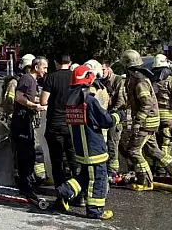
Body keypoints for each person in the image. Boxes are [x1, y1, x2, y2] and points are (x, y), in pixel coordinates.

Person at [56, 65, 125, 220]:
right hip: (94, 148)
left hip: (81, 147)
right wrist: (119, 115)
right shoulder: (89, 100)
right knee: (98, 179)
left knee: (86, 176)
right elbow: (106, 121)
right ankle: (95, 210)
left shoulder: (71, 99)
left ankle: (65, 192)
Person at [118, 49, 172, 190]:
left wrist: (138, 122)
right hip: (151, 121)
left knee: (134, 151)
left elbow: (147, 103)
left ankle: (145, 182)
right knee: (153, 150)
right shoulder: (135, 79)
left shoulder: (140, 82)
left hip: (146, 123)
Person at [11, 57, 48, 200]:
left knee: (30, 153)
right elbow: (19, 97)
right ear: (36, 66)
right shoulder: (27, 78)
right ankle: (24, 186)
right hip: (21, 122)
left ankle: (27, 183)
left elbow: (28, 98)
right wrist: (34, 106)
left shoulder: (32, 81)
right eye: (44, 68)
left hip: (26, 122)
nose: (46, 71)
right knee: (25, 154)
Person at [40, 52, 77, 191]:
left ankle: (61, 194)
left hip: (55, 124)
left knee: (57, 160)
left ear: (56, 62)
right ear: (70, 62)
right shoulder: (75, 77)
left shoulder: (52, 77)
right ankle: (79, 193)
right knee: (74, 160)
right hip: (72, 124)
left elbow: (43, 101)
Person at [101, 61, 126, 180]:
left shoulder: (118, 81)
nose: (101, 73)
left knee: (113, 143)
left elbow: (121, 101)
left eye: (103, 70)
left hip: (115, 116)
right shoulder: (101, 81)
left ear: (109, 69)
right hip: (105, 116)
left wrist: (111, 114)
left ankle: (113, 170)